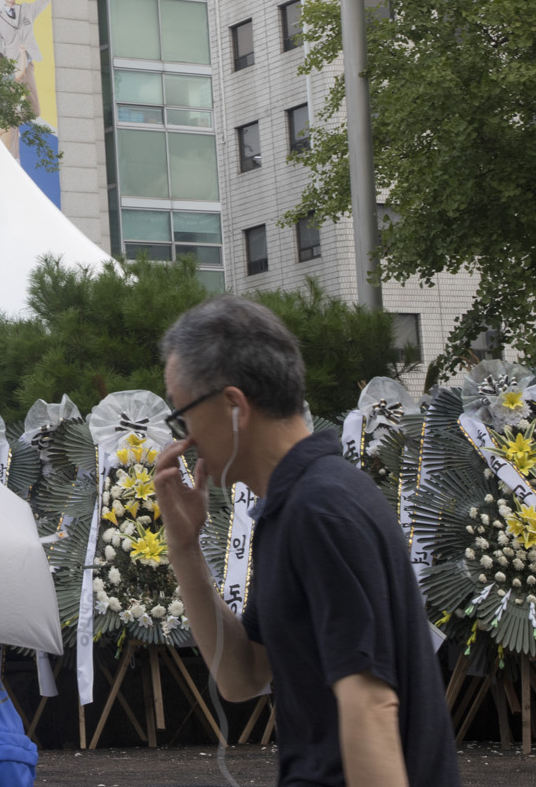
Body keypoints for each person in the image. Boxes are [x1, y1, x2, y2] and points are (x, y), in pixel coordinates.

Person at [152, 297, 458, 787]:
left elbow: (371, 703)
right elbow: (243, 675)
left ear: (234, 406)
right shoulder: (295, 504)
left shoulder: (321, 509)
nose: (182, 437)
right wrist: (185, 548)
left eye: (181, 414)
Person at [0, 0, 49, 119]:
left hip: (27, 64)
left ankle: (13, 122)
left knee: (34, 110)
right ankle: (7, 126)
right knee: (7, 105)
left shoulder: (27, 9)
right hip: (10, 67)